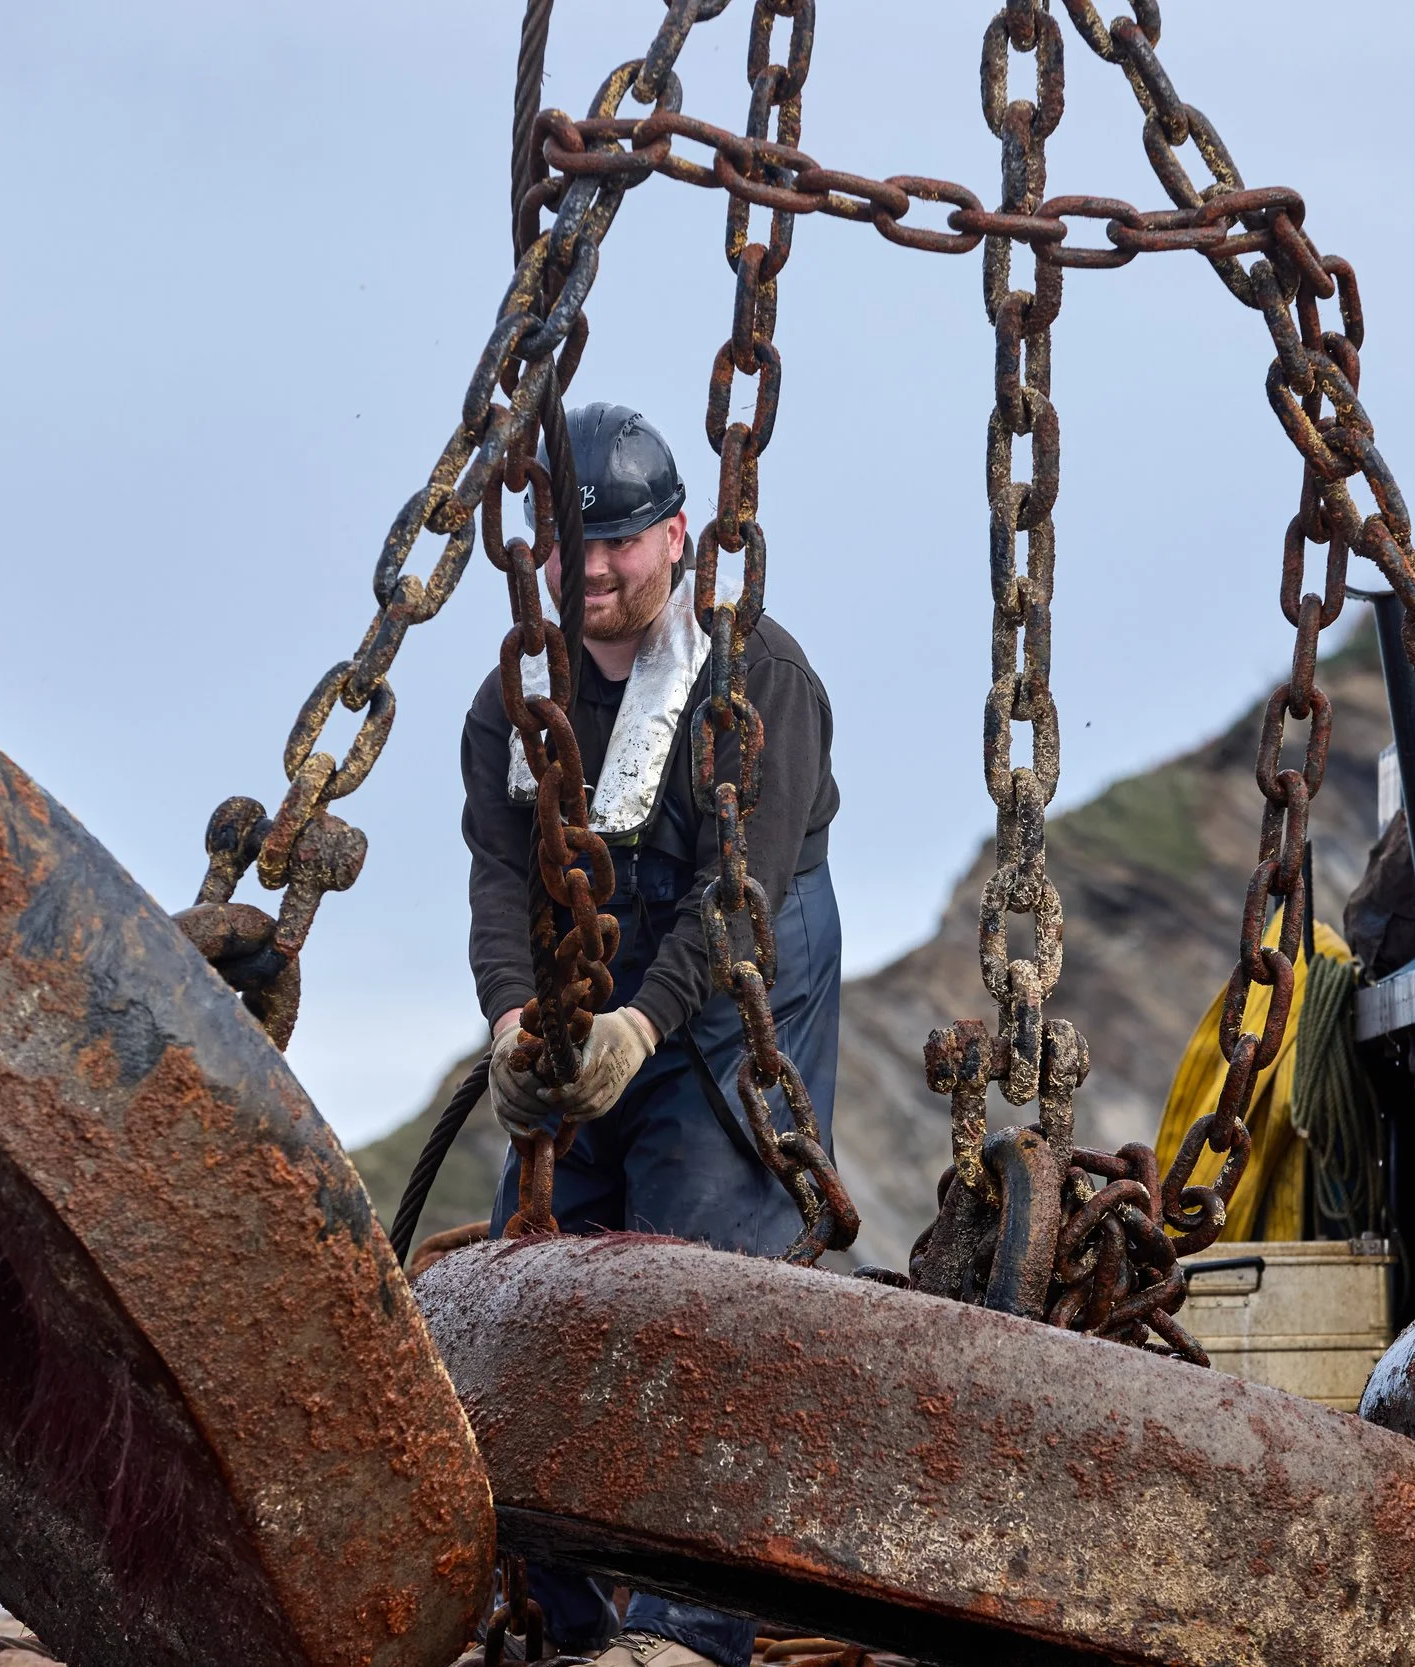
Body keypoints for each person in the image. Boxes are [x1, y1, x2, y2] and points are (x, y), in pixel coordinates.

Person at [458, 402, 843, 1667]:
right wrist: (518, 1020)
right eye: (576, 546)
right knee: (555, 1283)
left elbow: (736, 895)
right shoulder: (512, 703)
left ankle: (685, 1635)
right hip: (595, 987)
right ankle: (567, 1626)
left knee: (695, 1284)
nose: (599, 571)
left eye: (624, 542)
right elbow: (502, 877)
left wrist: (641, 1026)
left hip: (739, 996)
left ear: (678, 535)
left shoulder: (759, 680)